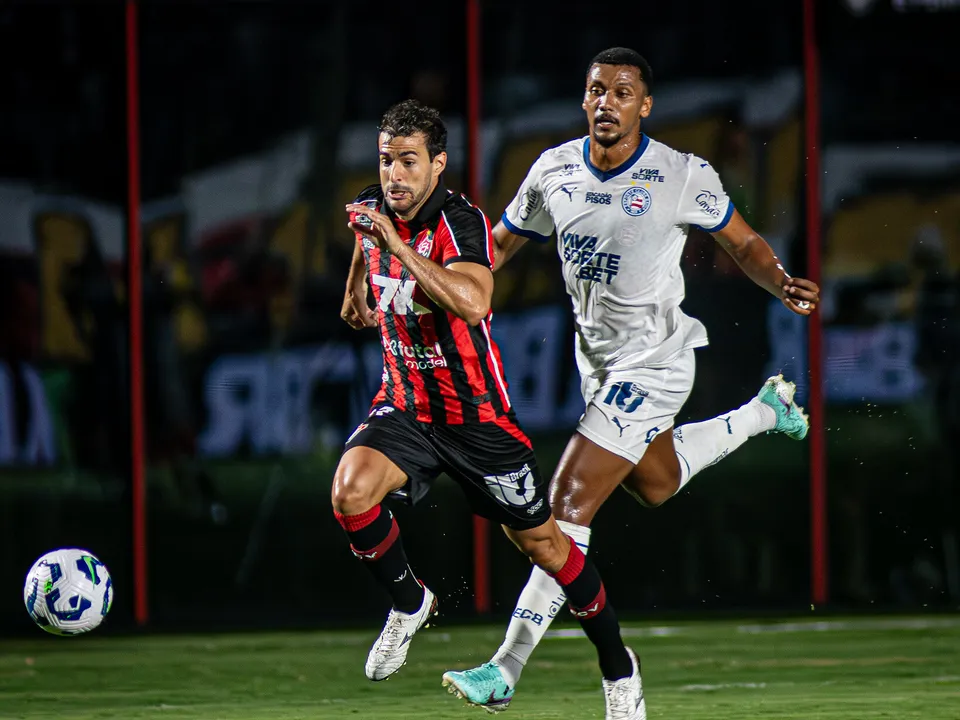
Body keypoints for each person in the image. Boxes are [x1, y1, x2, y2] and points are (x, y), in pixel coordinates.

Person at [441, 47, 821, 713]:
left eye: (621, 93)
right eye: (595, 90)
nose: (605, 103)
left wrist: (781, 281)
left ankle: (510, 668)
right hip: (599, 367)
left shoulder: (680, 174)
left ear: (644, 106)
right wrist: (446, 282)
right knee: (657, 482)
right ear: (583, 98)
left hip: (658, 363)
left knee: (565, 505)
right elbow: (498, 245)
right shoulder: (553, 170)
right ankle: (765, 411)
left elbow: (743, 241)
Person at [334, 99, 647, 720]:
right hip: (405, 406)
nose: (394, 174)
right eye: (385, 160)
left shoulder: (460, 221)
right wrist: (356, 288)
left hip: (476, 418)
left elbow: (473, 302)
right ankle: (406, 602)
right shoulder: (376, 207)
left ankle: (619, 667)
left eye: (407, 161)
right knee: (350, 492)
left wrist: (396, 246)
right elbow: (367, 250)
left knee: (548, 550)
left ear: (437, 164)